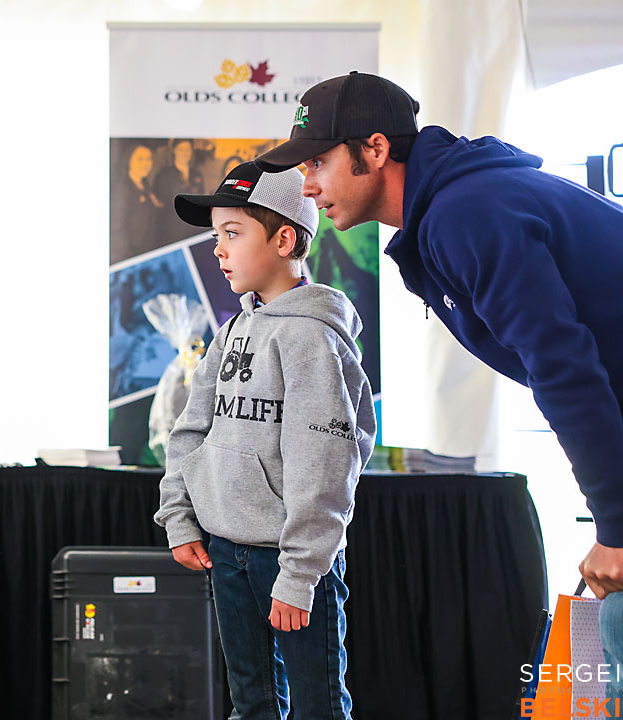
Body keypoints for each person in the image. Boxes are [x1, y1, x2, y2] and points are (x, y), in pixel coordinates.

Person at [254, 70, 623, 693]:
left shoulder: (466, 215)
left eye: (318, 162)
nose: (307, 185)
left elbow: (564, 368)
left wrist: (616, 525)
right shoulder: (455, 208)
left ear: (375, 149)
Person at [153, 161, 376, 719]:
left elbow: (326, 465)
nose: (218, 251)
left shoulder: (312, 338)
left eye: (232, 234)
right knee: (250, 704)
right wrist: (180, 517)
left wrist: (300, 574)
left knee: (317, 707)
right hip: (224, 552)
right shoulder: (231, 331)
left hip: (293, 561)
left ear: (283, 239)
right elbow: (191, 429)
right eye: (215, 237)